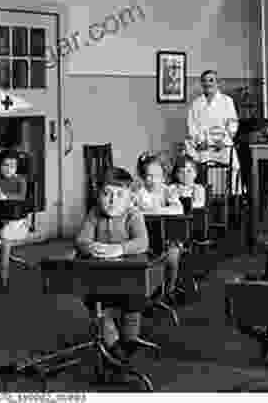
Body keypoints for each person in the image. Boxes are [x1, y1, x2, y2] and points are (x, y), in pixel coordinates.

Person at [75, 167, 151, 376]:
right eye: (106, 194)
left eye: (119, 195)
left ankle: (129, 344)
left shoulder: (133, 215)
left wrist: (120, 248)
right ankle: (114, 349)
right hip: (99, 279)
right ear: (98, 195)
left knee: (133, 304)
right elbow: (81, 240)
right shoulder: (94, 214)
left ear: (130, 199)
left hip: (128, 278)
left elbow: (142, 242)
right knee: (96, 305)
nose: (112, 200)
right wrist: (91, 247)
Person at [134, 152, 182, 301]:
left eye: (157, 176)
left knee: (173, 254)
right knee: (140, 258)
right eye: (148, 176)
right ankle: (145, 291)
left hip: (167, 238)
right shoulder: (139, 194)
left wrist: (155, 211)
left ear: (163, 176)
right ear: (142, 177)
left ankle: (169, 289)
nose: (153, 180)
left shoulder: (168, 191)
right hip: (145, 239)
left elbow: (178, 209)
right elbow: (131, 210)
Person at [0, 149, 30, 244]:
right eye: (5, 165)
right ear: (0, 166)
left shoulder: (20, 180)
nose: (8, 169)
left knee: (6, 234)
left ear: (17, 167)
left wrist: (6, 197)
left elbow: (21, 196)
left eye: (12, 166)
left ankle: (4, 257)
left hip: (15, 217)